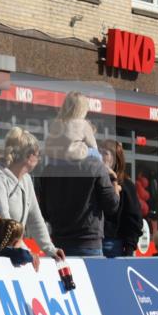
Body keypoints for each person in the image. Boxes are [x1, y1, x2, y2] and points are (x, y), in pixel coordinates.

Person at [0, 127, 63, 263]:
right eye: (38, 154)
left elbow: (36, 220)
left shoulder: (26, 180)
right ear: (28, 156)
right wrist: (26, 252)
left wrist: (51, 249)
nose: (39, 159)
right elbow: (4, 222)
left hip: (4, 253)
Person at [39, 128, 121, 258]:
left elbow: (44, 212)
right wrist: (114, 181)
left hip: (58, 243)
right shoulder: (95, 166)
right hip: (88, 243)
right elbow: (112, 206)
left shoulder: (48, 170)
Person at [101, 140, 143, 257]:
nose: (100, 157)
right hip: (91, 242)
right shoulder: (93, 180)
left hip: (113, 244)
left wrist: (129, 248)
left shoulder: (126, 185)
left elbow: (134, 219)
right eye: (98, 152)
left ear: (116, 159)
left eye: (105, 153)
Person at [43, 91, 101, 162]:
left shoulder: (56, 123)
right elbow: (93, 146)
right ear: (83, 108)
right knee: (96, 153)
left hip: (54, 158)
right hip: (73, 156)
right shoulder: (83, 124)